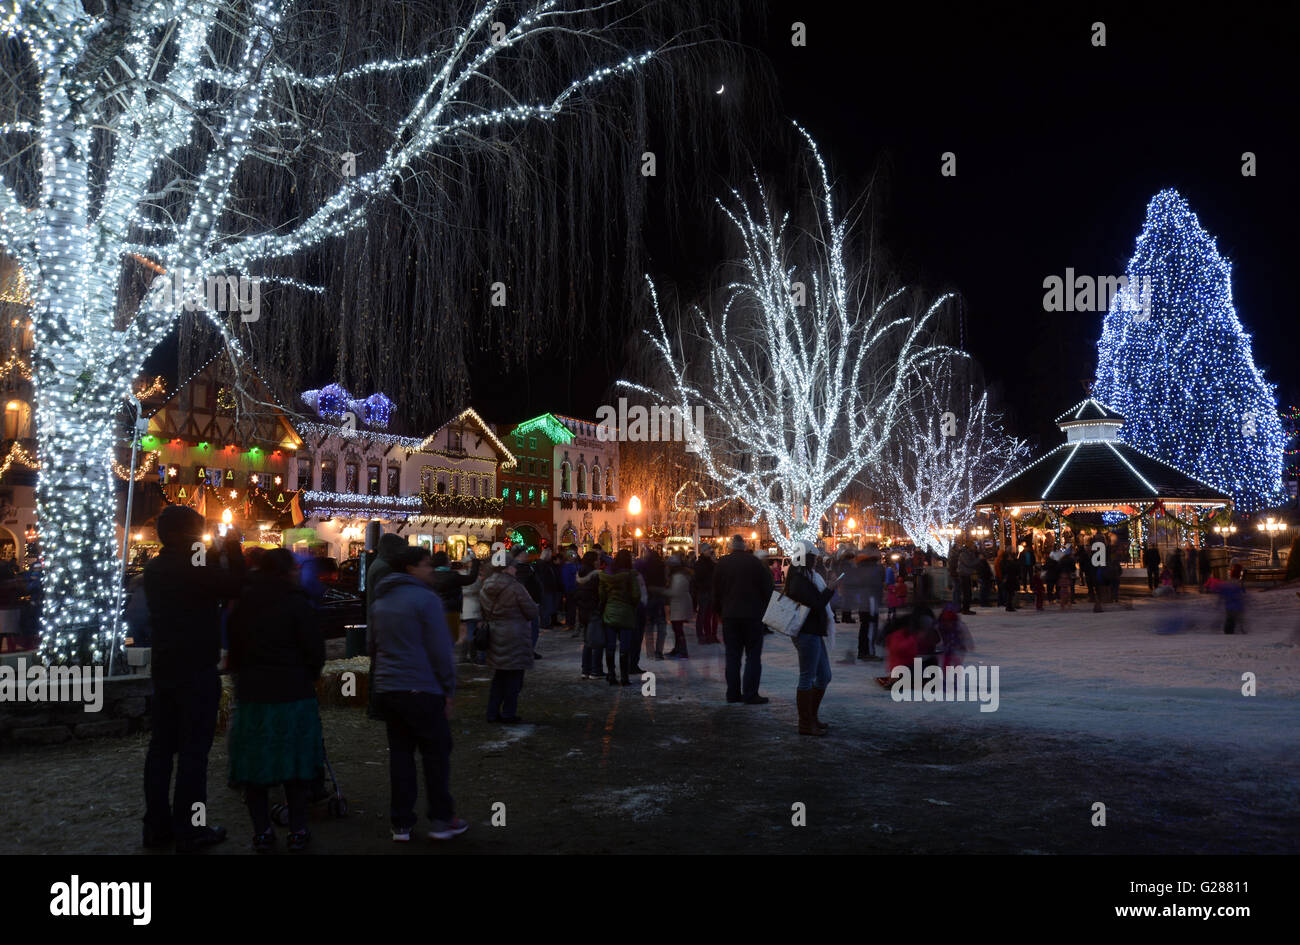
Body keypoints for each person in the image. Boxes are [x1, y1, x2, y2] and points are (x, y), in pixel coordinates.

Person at [142, 505, 245, 853]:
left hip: (164, 668)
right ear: (188, 534)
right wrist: (231, 545)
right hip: (196, 669)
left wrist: (211, 549)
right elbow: (235, 584)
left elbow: (202, 575)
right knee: (193, 753)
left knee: (160, 750)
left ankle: (155, 827)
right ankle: (191, 829)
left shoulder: (155, 567)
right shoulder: (194, 565)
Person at [226, 549, 325, 853]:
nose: (299, 572)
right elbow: (314, 652)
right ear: (285, 572)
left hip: (254, 694)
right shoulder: (298, 604)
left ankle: (263, 832)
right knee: (294, 769)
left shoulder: (242, 603)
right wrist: (307, 675)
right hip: (292, 692)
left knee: (255, 769)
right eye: (295, 568)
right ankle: (297, 830)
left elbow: (234, 650)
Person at [369, 546, 467, 842]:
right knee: (436, 755)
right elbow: (440, 650)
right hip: (421, 687)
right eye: (427, 565)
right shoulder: (426, 600)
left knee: (400, 757)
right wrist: (448, 689)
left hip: (389, 688)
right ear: (411, 568)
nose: (432, 570)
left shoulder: (381, 600)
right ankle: (441, 819)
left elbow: (371, 647)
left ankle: (401, 823)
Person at [712, 534, 774, 704]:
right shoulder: (754, 563)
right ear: (745, 546)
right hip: (752, 615)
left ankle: (732, 693)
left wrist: (720, 611)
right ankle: (750, 693)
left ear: (731, 547)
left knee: (732, 656)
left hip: (730, 616)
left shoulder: (722, 563)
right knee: (753, 656)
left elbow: (715, 591)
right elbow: (767, 588)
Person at [782, 541, 836, 736]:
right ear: (806, 558)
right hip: (806, 632)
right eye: (813, 557)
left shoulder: (805, 576)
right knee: (807, 677)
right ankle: (805, 723)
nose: (816, 561)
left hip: (813, 631)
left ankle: (811, 717)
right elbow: (817, 603)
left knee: (824, 675)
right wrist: (830, 589)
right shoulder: (798, 578)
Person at [479, 549, 540, 720]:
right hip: (515, 635)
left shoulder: (486, 585)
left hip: (495, 634)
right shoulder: (515, 587)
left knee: (499, 677)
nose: (515, 570)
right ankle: (509, 712)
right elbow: (531, 611)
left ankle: (492, 712)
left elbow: (483, 610)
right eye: (513, 567)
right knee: (514, 677)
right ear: (506, 568)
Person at [598, 550, 640, 685]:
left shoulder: (606, 575)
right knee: (625, 647)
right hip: (626, 613)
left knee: (610, 646)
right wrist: (632, 605)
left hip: (610, 612)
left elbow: (602, 595)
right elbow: (635, 595)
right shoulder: (630, 575)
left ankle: (611, 675)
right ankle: (624, 677)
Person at [430, 550, 479, 661]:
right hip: (451, 611)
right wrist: (475, 563)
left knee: (437, 638)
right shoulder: (453, 576)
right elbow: (471, 579)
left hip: (434, 610)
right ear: (445, 562)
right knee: (450, 639)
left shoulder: (431, 576)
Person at [574, 552, 605, 678]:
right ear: (593, 561)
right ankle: (595, 670)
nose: (599, 562)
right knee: (597, 641)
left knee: (587, 641)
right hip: (594, 610)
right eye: (597, 559)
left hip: (583, 611)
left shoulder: (579, 574)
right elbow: (600, 594)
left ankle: (585, 670)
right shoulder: (596, 575)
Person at [513, 550, 544, 658]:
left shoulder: (527, 567)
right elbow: (523, 587)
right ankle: (527, 651)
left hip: (531, 601)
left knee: (532, 628)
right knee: (531, 628)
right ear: (518, 555)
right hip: (528, 603)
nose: (527, 555)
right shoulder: (520, 569)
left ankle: (528, 650)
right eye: (524, 553)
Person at [857, 550, 886, 661]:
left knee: (865, 627)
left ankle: (863, 651)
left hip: (864, 602)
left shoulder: (860, 570)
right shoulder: (871, 571)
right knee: (870, 627)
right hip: (870, 602)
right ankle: (868, 652)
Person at [642, 549, 670, 660]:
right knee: (661, 627)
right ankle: (659, 652)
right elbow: (666, 581)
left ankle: (650, 652)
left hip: (649, 599)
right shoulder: (662, 566)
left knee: (649, 628)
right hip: (660, 599)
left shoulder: (645, 568)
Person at [692, 546, 719, 645]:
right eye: (708, 550)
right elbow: (698, 578)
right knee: (703, 614)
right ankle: (701, 635)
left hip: (711, 591)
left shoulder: (710, 563)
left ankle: (709, 635)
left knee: (709, 614)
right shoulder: (700, 564)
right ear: (703, 551)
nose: (710, 551)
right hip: (704, 591)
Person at [460, 565, 485, 665]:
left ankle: (466, 655)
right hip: (475, 608)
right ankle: (474, 655)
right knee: (472, 633)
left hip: (464, 610)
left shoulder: (460, 579)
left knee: (467, 633)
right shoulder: (476, 580)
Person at [561, 550, 581, 636]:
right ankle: (571, 623)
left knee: (573, 607)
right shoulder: (567, 567)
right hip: (571, 589)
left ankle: (573, 623)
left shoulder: (575, 566)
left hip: (575, 589)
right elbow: (565, 580)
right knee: (570, 607)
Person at [957, 542, 979, 614]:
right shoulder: (963, 554)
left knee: (968, 593)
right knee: (966, 593)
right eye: (973, 546)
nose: (974, 547)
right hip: (964, 574)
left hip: (967, 574)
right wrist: (978, 559)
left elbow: (972, 561)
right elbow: (969, 563)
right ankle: (965, 609)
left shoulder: (969, 553)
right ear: (969, 547)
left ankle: (966, 608)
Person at [999, 548, 1020, 612]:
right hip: (1009, 579)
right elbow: (1009, 569)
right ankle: (1009, 606)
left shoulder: (1005, 562)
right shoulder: (1007, 563)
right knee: (1010, 593)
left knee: (1010, 593)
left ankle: (1009, 605)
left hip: (1010, 579)